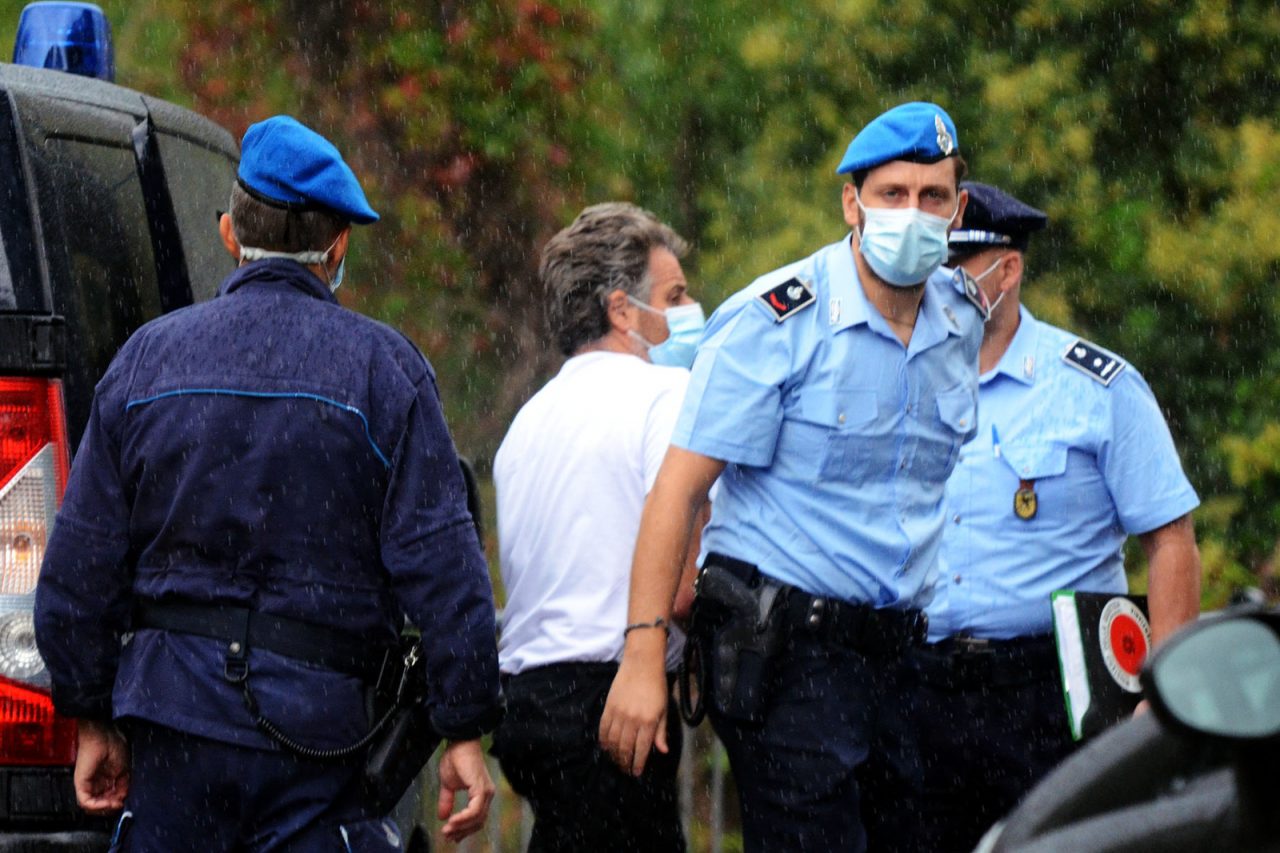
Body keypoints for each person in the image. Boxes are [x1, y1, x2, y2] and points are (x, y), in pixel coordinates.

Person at [33, 115, 502, 851]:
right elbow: (446, 572)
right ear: (338, 246)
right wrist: (463, 727)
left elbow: (77, 565)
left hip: (173, 729)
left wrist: (90, 712)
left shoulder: (146, 361)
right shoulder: (386, 373)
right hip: (322, 745)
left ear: (229, 234)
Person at [599, 102, 987, 852]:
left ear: (958, 208)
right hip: (791, 656)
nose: (913, 213)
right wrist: (643, 658)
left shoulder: (960, 319)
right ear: (852, 202)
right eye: (892, 194)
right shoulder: (778, 322)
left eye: (932, 197)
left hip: (905, 658)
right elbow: (677, 492)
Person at [907, 181, 1203, 851]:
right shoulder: (894, 379)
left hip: (1053, 686)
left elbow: (1171, 538)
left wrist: (1168, 692)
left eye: (950, 265)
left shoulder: (1096, 387)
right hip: (916, 681)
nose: (932, 284)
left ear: (1006, 269)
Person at [491, 202, 703, 851]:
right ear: (621, 309)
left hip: (531, 702)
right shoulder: (666, 397)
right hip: (614, 705)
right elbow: (682, 587)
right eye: (674, 294)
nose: (690, 307)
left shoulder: (527, 421)